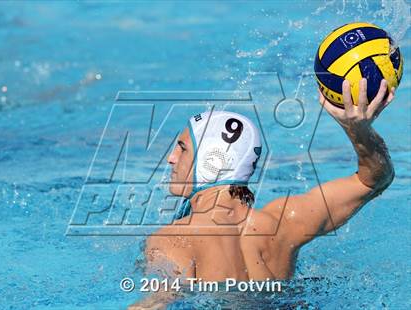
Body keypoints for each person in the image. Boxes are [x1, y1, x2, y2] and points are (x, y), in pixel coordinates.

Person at [129, 79, 395, 308]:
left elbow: (157, 300)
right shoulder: (286, 223)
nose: (171, 158)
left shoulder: (175, 238)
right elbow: (375, 179)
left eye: (183, 148)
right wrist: (359, 130)